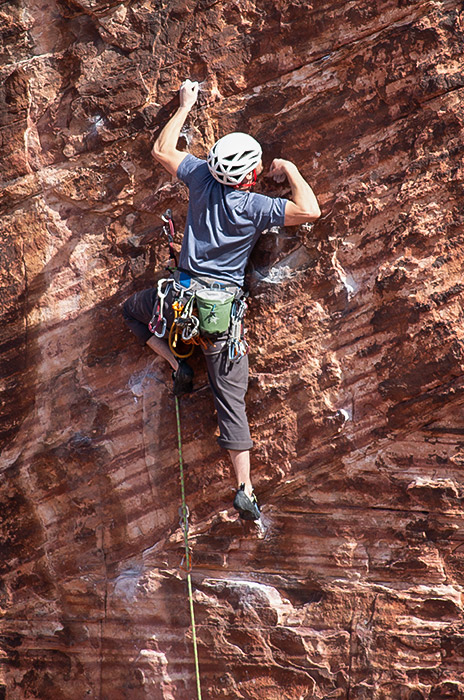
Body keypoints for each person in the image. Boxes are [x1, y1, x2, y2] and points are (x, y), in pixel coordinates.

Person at [123, 79, 320, 520]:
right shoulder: (255, 207)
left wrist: (184, 106)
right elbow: (310, 211)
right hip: (220, 322)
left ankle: (177, 367)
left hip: (176, 307)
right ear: (250, 176)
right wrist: (288, 169)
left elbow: (162, 150)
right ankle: (245, 489)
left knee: (130, 314)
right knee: (230, 403)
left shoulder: (199, 180)